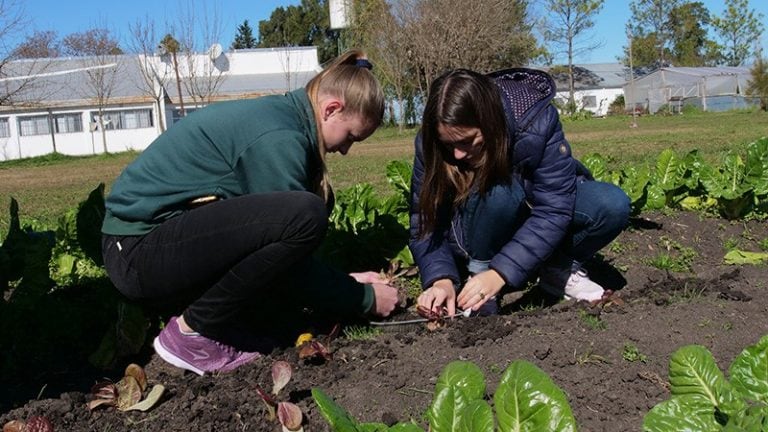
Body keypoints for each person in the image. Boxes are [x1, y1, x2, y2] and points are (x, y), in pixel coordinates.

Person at [101, 49, 399, 376]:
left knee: (297, 237)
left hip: (151, 247)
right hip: (138, 254)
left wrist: (345, 281)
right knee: (305, 214)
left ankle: (217, 324)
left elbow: (267, 250)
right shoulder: (280, 138)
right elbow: (291, 266)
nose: (345, 149)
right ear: (331, 109)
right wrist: (363, 298)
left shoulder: (283, 117)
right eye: (351, 136)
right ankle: (191, 333)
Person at [409, 68, 630, 317]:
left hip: (531, 213)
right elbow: (424, 223)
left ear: (491, 122)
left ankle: (554, 268)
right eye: (449, 144)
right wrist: (440, 279)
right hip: (476, 232)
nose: (457, 154)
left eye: (467, 141)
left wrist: (501, 273)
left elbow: (555, 207)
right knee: (498, 191)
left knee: (612, 204)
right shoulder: (431, 144)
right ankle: (479, 274)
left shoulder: (537, 120)